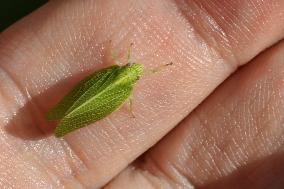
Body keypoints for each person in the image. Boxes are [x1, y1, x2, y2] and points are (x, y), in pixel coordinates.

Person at [0, 0, 283, 188]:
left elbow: (113, 64)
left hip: (106, 86)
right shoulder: (126, 84)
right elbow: (125, 78)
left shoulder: (118, 75)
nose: (136, 68)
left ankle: (60, 119)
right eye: (134, 67)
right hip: (108, 86)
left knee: (77, 103)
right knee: (76, 103)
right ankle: (59, 119)